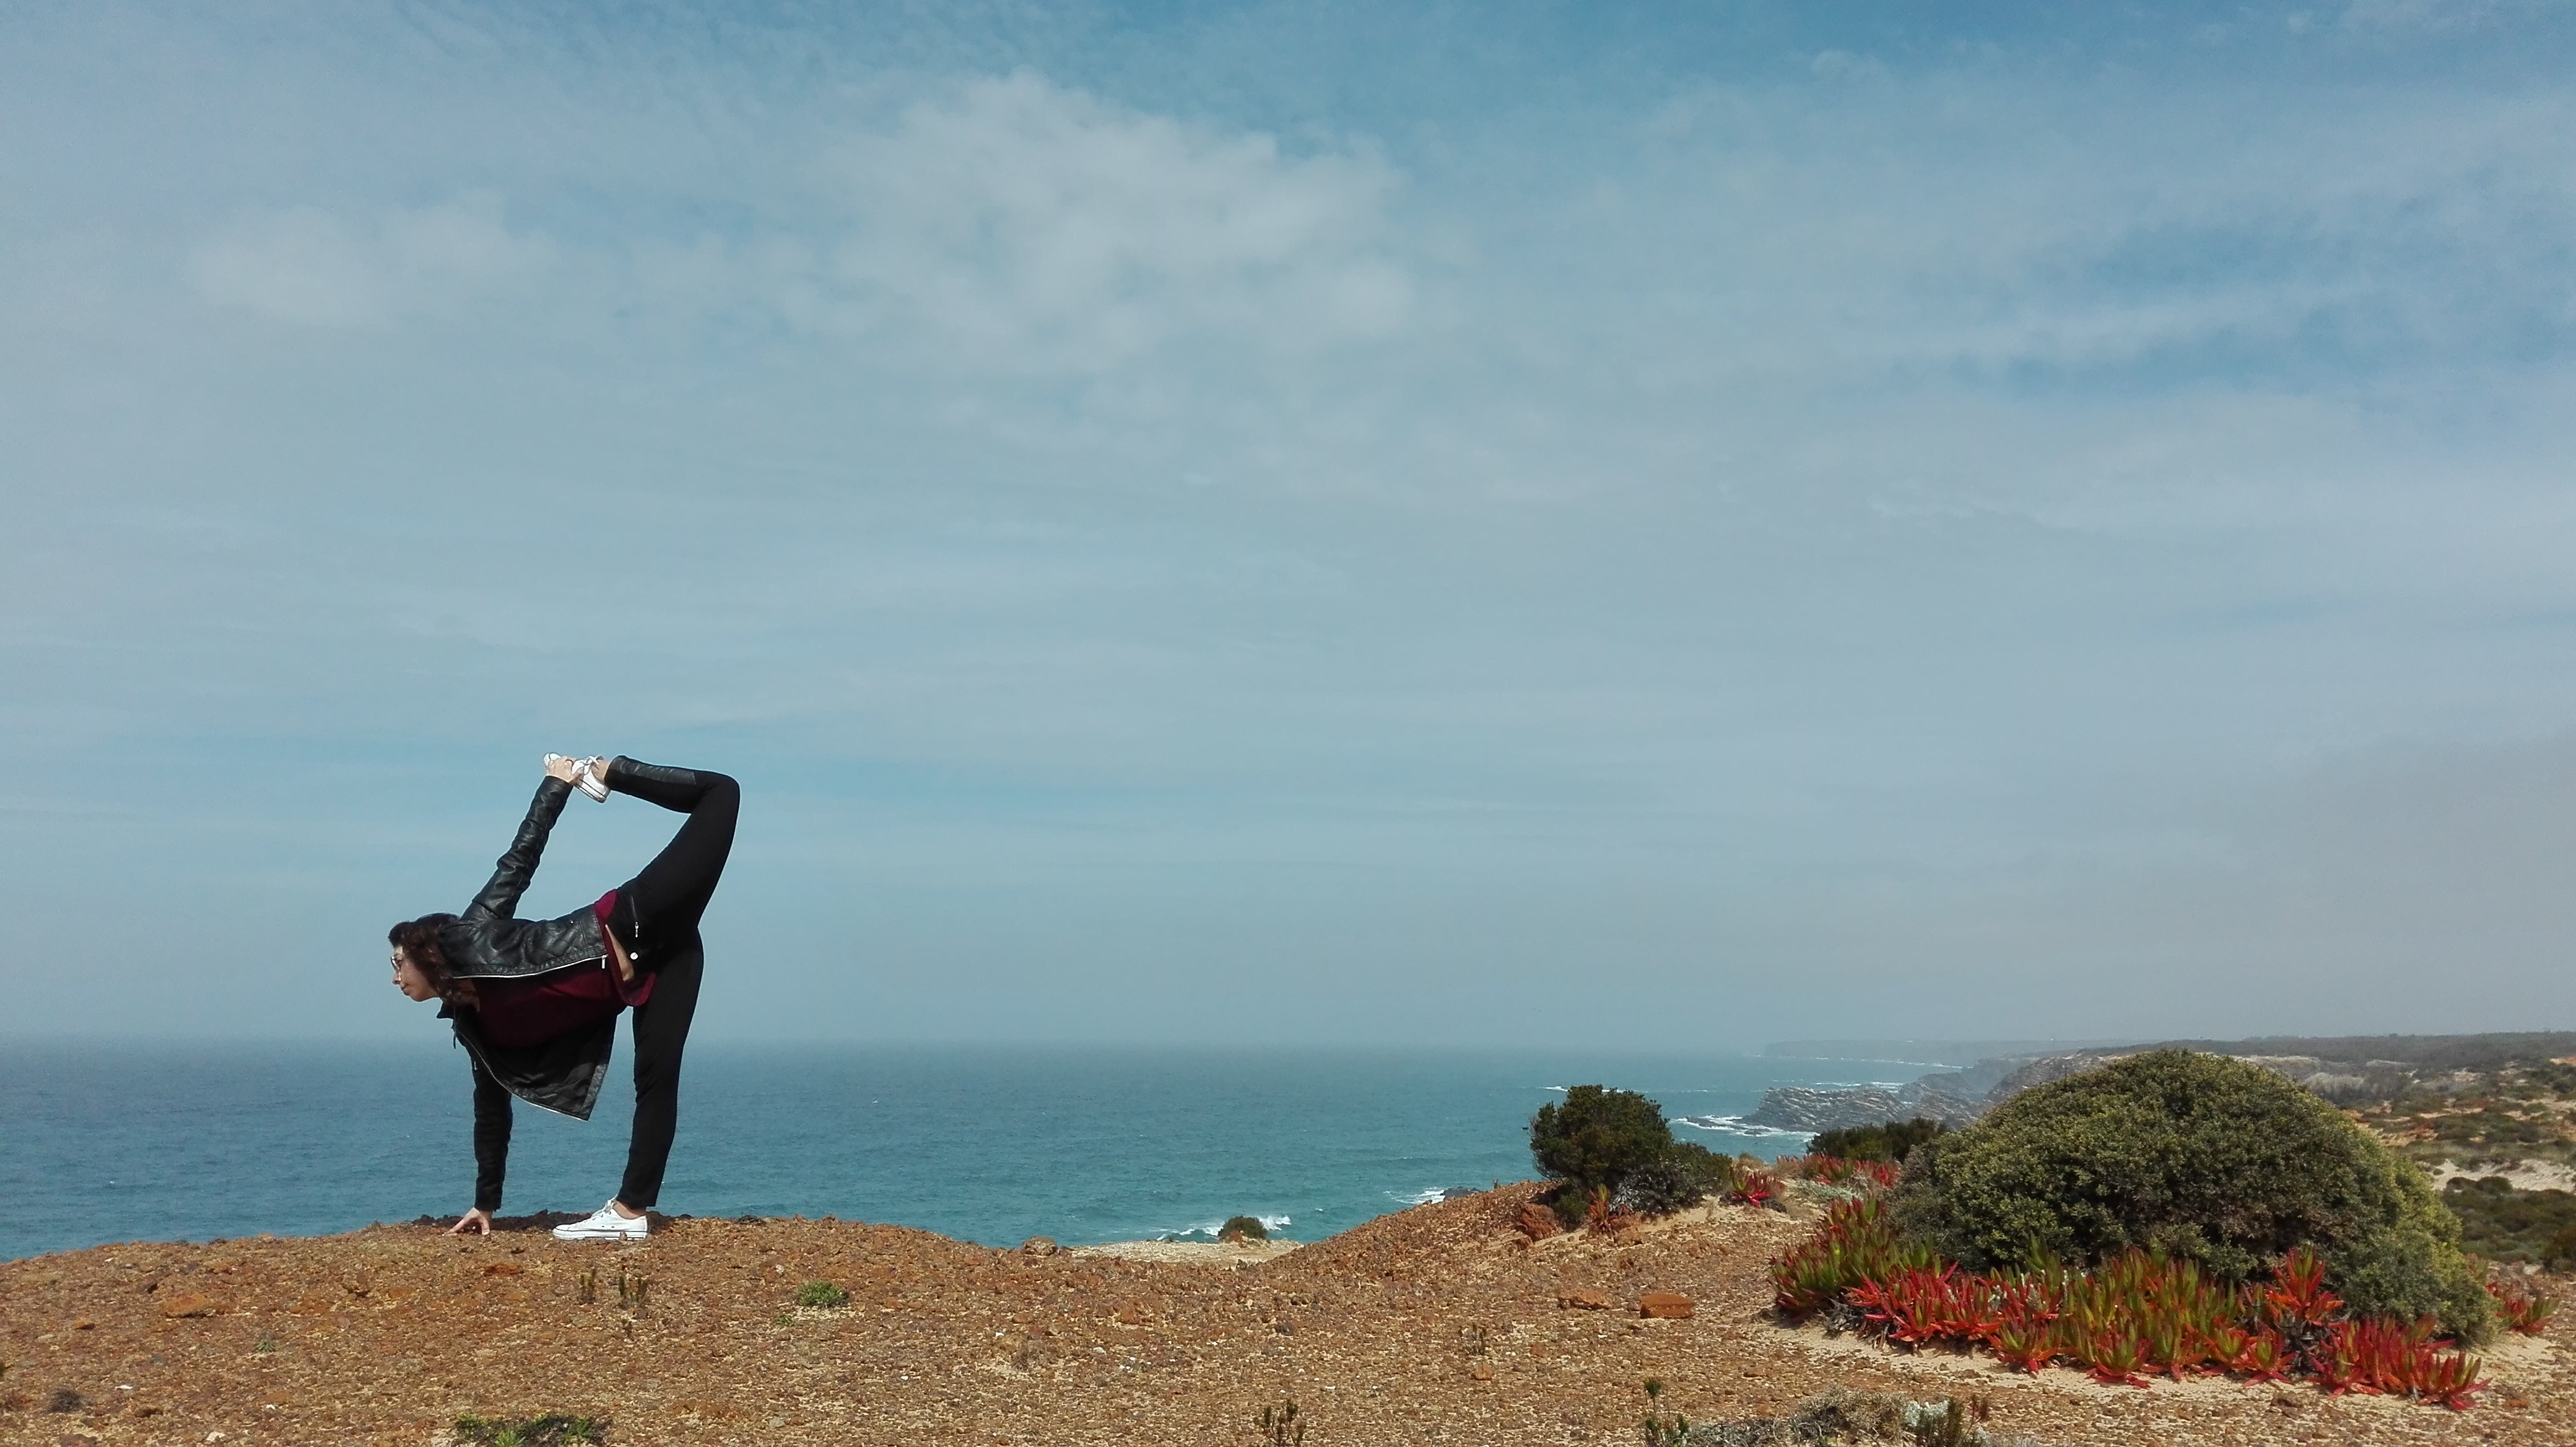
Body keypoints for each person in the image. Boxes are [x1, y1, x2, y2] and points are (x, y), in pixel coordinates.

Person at [386, 754, 738, 1241]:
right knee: (657, 1080)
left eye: (397, 963)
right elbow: (491, 1111)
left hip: (632, 920)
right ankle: (630, 1213)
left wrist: (557, 785)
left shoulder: (468, 937)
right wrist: (485, 1203)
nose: (395, 979)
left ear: (422, 954)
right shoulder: (473, 1028)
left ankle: (608, 770)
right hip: (659, 966)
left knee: (722, 793)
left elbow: (518, 862)